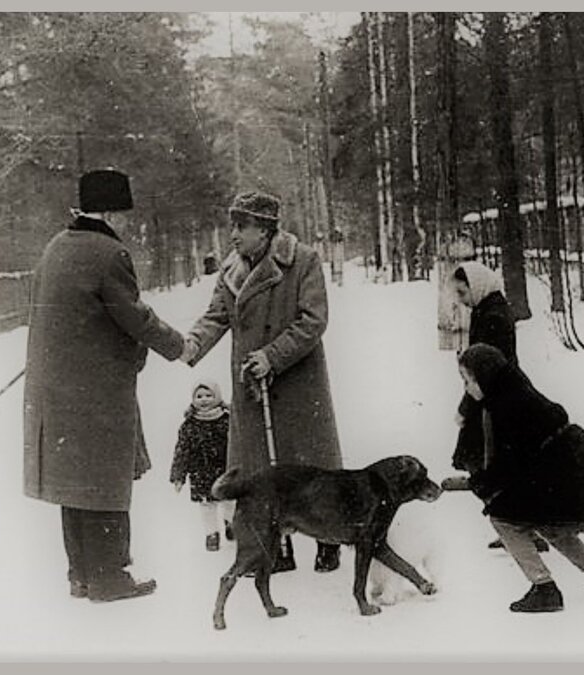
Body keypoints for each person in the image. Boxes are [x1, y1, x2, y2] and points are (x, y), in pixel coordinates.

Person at [23, 168, 186, 603]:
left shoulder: (56, 246)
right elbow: (134, 316)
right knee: (105, 479)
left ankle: (80, 574)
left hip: (56, 389)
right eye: (126, 214)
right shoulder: (109, 253)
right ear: (113, 212)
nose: (129, 224)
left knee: (73, 483)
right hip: (96, 391)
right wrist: (179, 347)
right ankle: (110, 577)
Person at [181, 191, 344, 574]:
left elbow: (313, 320)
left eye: (242, 226)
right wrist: (190, 345)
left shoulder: (302, 261)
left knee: (309, 465)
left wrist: (273, 355)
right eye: (232, 226)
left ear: (266, 229)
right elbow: (216, 316)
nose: (233, 235)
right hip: (252, 384)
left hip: (296, 380)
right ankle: (276, 545)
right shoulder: (231, 271)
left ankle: (328, 540)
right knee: (259, 469)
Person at [451, 344, 584, 613]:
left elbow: (510, 462)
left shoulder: (507, 406)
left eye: (468, 380)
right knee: (548, 523)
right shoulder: (509, 389)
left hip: (564, 470)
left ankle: (544, 589)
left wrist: (478, 483)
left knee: (503, 518)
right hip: (569, 465)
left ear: (483, 376)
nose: (467, 388)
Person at [448, 262, 549, 554]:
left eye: (462, 291)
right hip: (495, 397)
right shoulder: (489, 309)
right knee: (488, 461)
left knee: (488, 462)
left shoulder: (493, 316)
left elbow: (487, 370)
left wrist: (465, 408)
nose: (460, 298)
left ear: (476, 286)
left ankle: (519, 525)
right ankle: (515, 523)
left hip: (496, 400)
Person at [170, 379, 233, 552]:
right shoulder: (189, 425)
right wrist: (178, 476)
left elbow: (237, 445)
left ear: (217, 397)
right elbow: (182, 451)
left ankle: (231, 525)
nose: (204, 399)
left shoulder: (227, 421)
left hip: (224, 471)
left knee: (229, 502)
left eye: (208, 395)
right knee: (207, 507)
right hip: (201, 474)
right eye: (199, 396)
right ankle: (211, 534)